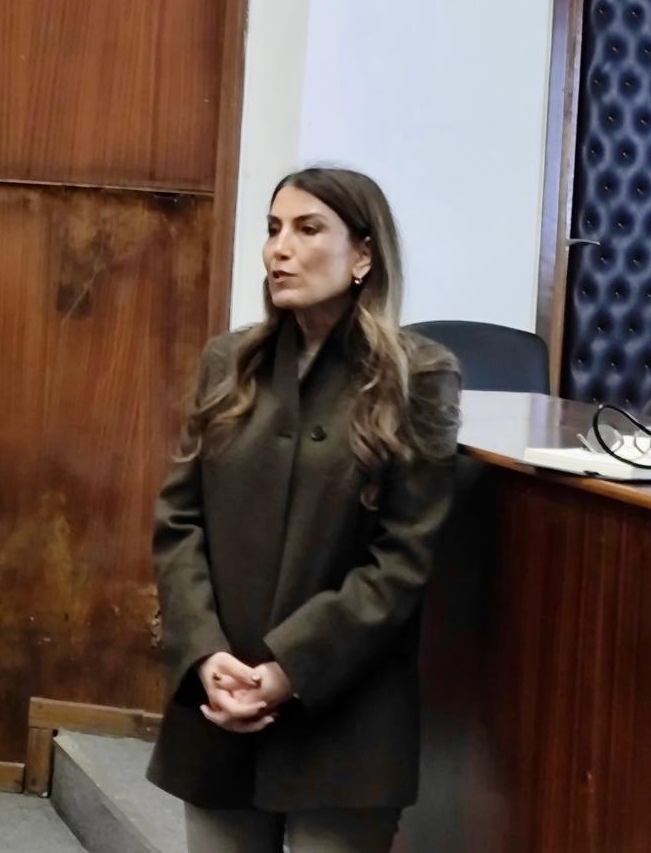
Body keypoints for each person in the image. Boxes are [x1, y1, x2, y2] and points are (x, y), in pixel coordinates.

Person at [147, 167, 462, 853]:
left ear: (364, 255)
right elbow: (178, 523)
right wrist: (204, 654)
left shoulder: (420, 377)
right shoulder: (230, 362)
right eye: (273, 230)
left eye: (308, 229)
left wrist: (291, 667)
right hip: (223, 701)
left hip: (347, 720)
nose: (279, 249)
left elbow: (403, 561)